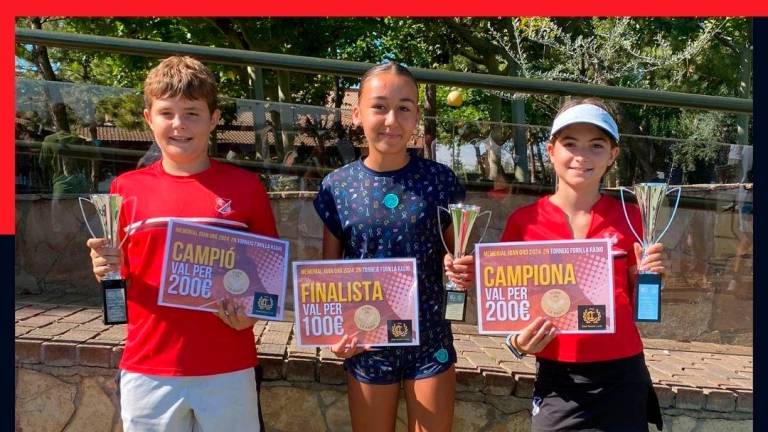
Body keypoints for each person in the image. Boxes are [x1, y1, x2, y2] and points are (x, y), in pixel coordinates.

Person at [449, 98, 666, 431]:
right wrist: (517, 343)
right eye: (570, 144)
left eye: (596, 145)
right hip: (558, 378)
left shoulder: (633, 218)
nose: (581, 156)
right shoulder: (525, 222)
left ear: (613, 155)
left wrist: (649, 278)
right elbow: (507, 308)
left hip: (623, 374)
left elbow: (638, 309)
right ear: (551, 151)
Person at [86, 56, 276, 432]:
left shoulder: (246, 187)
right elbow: (120, 275)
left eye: (192, 113)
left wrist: (254, 313)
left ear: (214, 119)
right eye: (167, 112)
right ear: (148, 118)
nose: (179, 125)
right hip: (148, 366)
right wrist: (106, 270)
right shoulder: (125, 188)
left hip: (229, 364)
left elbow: (269, 278)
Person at [313, 61, 472, 432]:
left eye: (404, 107)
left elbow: (459, 259)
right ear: (357, 113)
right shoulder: (337, 186)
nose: (391, 119)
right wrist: (334, 334)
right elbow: (328, 277)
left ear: (417, 115)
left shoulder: (440, 181)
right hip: (367, 342)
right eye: (380, 106)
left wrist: (460, 269)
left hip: (431, 338)